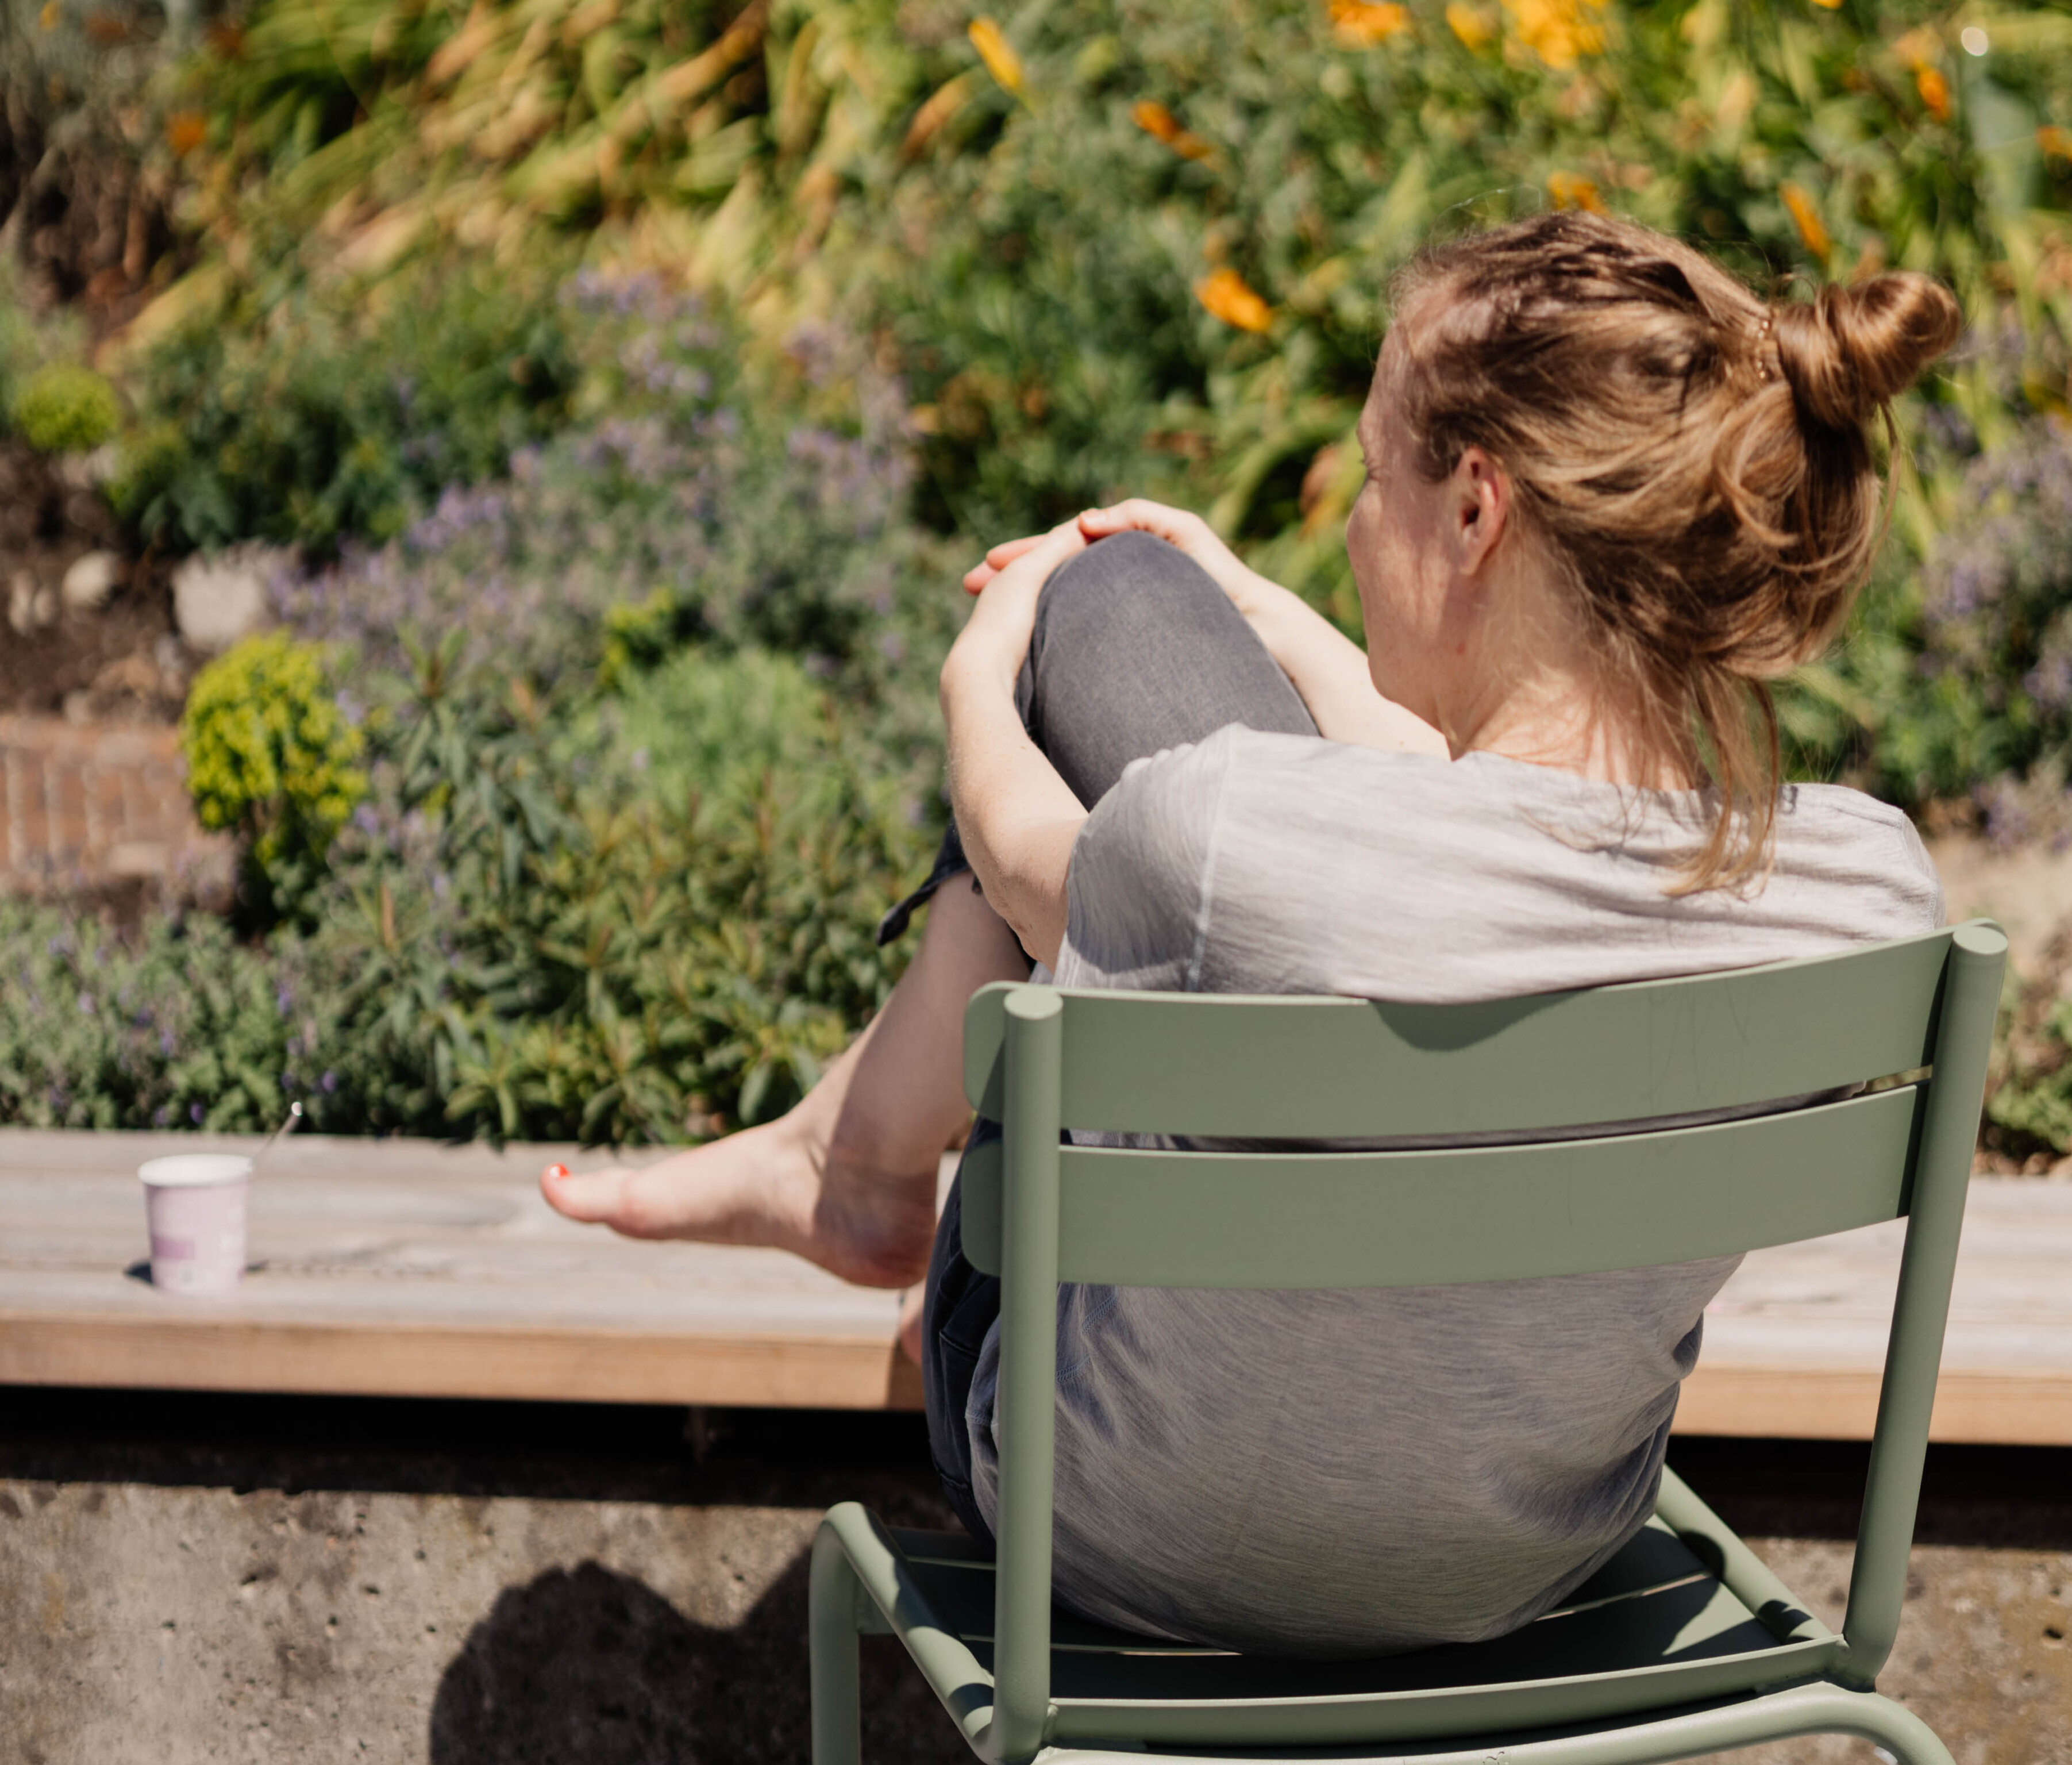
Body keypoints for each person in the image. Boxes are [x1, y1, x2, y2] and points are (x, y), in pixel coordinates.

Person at [541, 211, 1961, 1656]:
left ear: (1477, 510)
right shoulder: (1867, 897)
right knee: (1177, 800)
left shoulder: (1222, 843)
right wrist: (1270, 618)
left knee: (1112, 609)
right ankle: (848, 1159)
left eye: (1373, 475)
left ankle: (852, 1164)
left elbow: (1019, 851)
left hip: (1111, 1533)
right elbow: (1507, 857)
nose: (1354, 525)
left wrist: (994, 654)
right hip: (1528, 1563)